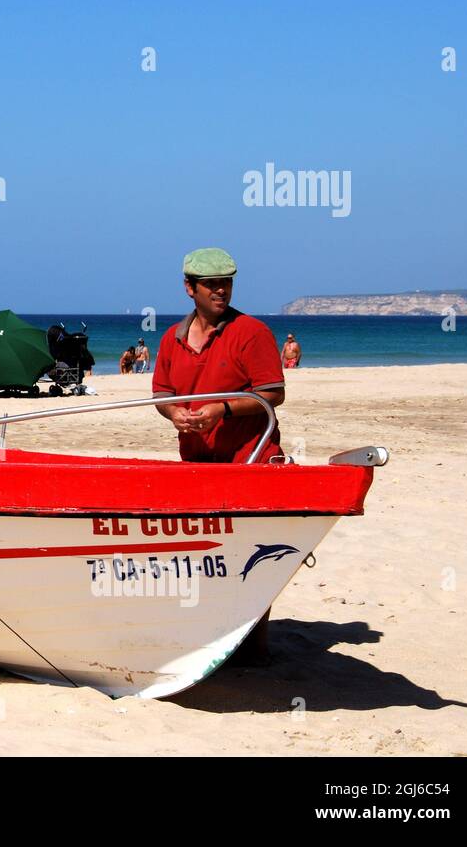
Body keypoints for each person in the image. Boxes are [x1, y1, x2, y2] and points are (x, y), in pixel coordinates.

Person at [151, 248, 286, 664]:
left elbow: (274, 392)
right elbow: (161, 394)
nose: (221, 291)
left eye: (227, 282)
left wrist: (221, 409)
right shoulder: (171, 337)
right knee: (207, 553)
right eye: (211, 284)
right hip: (197, 463)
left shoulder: (251, 332)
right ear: (189, 288)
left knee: (253, 556)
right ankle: (214, 637)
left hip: (251, 460)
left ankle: (256, 650)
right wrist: (175, 414)